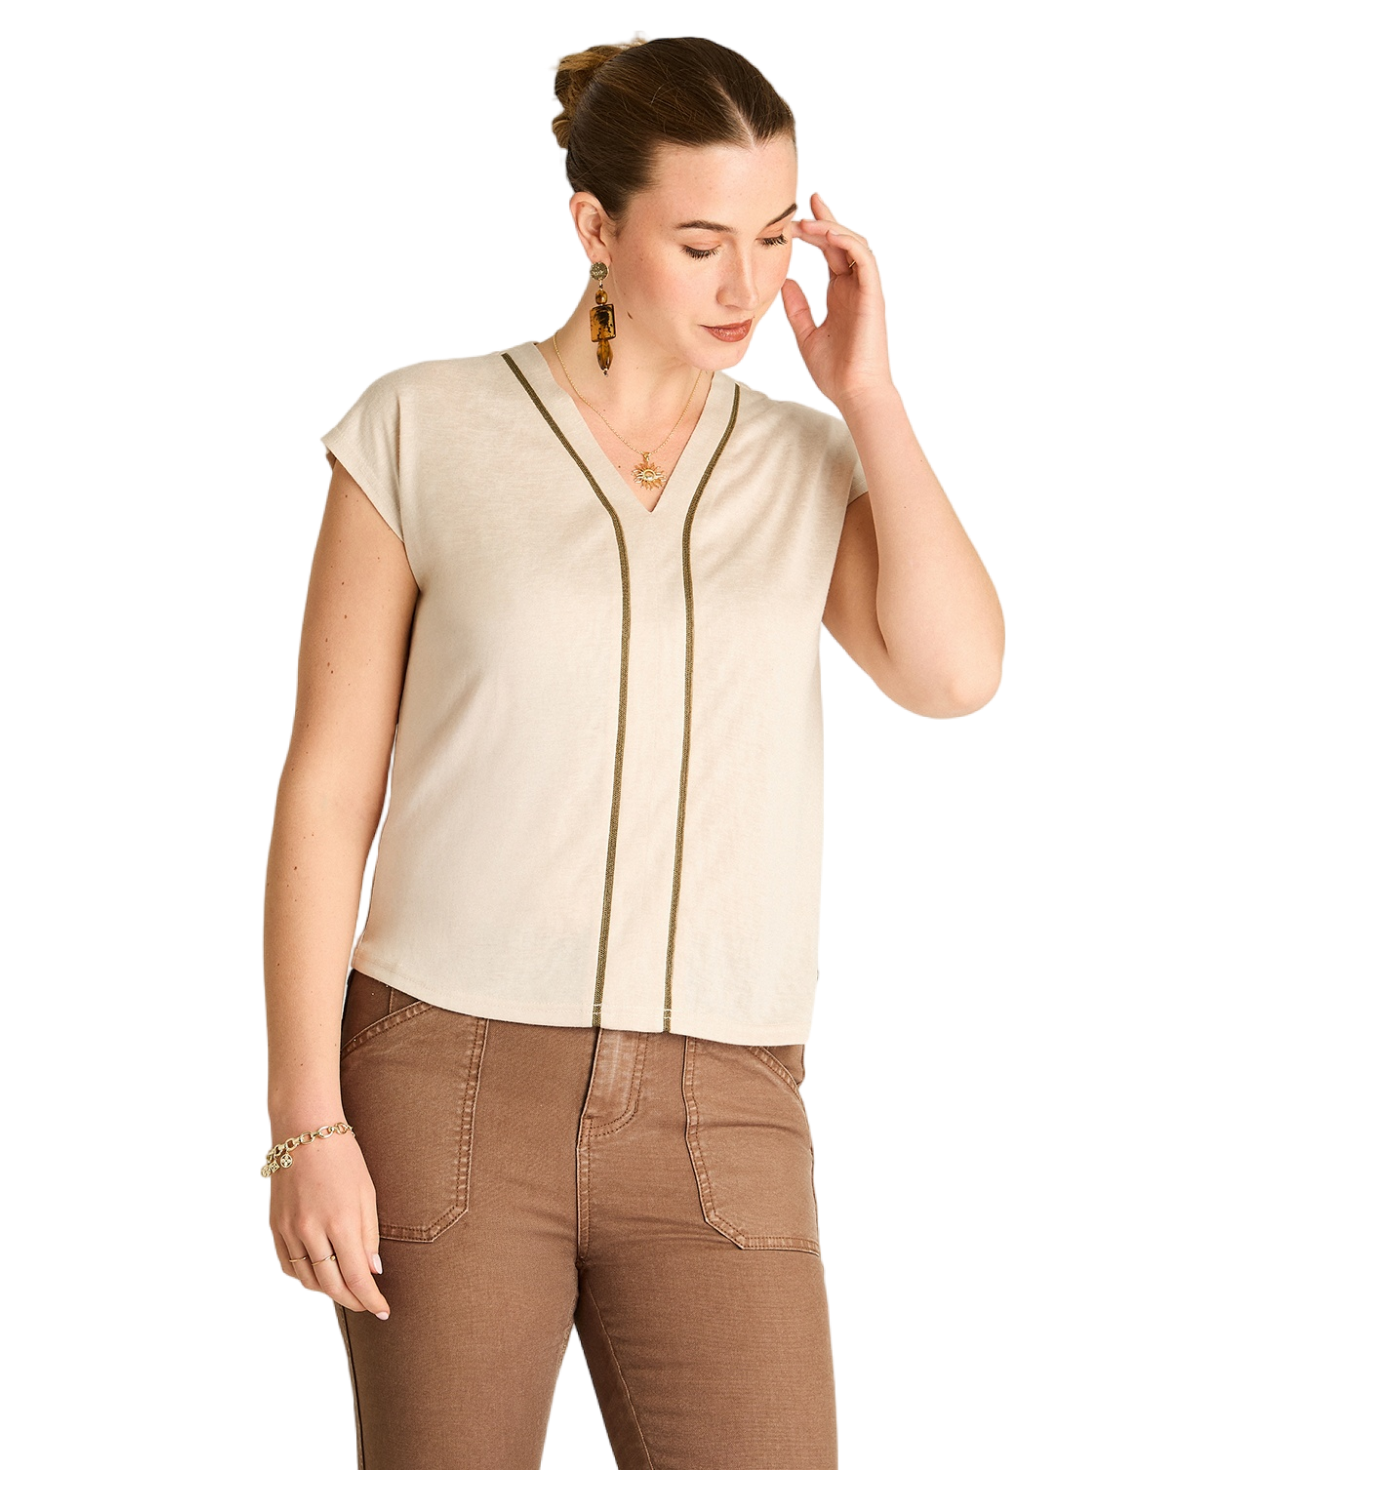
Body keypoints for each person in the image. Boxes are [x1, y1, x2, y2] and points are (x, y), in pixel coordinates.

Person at [262, 34, 1004, 1471]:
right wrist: (306, 1123)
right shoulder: (421, 428)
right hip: (448, 1081)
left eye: (777, 236)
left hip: (728, 1100)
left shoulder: (803, 463)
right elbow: (327, 790)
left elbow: (956, 674)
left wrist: (871, 398)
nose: (748, 286)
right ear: (596, 229)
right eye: (702, 243)